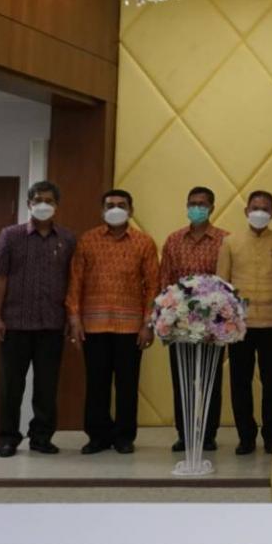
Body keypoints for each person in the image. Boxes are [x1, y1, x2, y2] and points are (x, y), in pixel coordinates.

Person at [66, 189, 159, 455]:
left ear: (131, 210)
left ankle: (124, 437)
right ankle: (97, 436)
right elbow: (75, 281)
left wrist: (148, 324)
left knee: (127, 385)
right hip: (93, 325)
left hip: (130, 327)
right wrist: (74, 318)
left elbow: (153, 286)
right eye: (110, 205)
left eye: (121, 205)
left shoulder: (144, 242)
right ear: (102, 210)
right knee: (97, 383)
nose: (115, 209)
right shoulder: (88, 240)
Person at [0, 180, 76, 457]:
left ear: (57, 205)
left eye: (49, 201)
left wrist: (71, 318)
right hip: (15, 324)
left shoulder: (67, 239)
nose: (43, 205)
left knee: (47, 386)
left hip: (52, 325)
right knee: (11, 385)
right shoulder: (10, 235)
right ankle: (8, 437)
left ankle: (41, 437)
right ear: (29, 204)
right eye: (38, 200)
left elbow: (73, 282)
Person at [217, 190, 272, 455]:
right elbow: (222, 285)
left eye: (265, 209)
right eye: (255, 208)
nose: (259, 213)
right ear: (246, 211)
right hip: (240, 325)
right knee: (240, 382)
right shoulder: (230, 242)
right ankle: (246, 437)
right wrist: (225, 323)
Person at [159, 185, 229, 454]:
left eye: (202, 204)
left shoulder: (225, 240)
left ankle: (208, 435)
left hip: (213, 323)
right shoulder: (173, 240)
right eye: (192, 203)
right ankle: (185, 433)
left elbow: (228, 283)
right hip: (180, 323)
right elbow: (165, 281)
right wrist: (165, 317)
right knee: (183, 380)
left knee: (210, 379)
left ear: (212, 207)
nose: (196, 208)